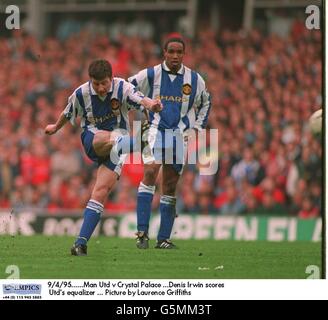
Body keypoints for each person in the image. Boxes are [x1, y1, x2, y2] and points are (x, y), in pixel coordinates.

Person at [45, 59, 162, 256]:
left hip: (118, 146)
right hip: (94, 140)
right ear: (90, 80)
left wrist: (153, 105)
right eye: (96, 83)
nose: (100, 88)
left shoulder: (123, 87)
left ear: (111, 78)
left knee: (100, 191)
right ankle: (139, 143)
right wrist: (55, 127)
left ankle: (80, 243)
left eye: (104, 83)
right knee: (105, 138)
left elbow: (141, 99)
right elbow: (68, 112)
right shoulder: (81, 93)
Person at [128, 37, 211, 249]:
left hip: (179, 135)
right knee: (150, 171)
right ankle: (142, 233)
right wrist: (144, 104)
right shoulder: (151, 73)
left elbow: (206, 102)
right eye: (171, 51)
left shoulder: (194, 79)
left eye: (179, 52)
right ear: (164, 52)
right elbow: (127, 87)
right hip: (155, 130)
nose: (175, 56)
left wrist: (196, 128)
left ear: (184, 54)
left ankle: (163, 238)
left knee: (171, 185)